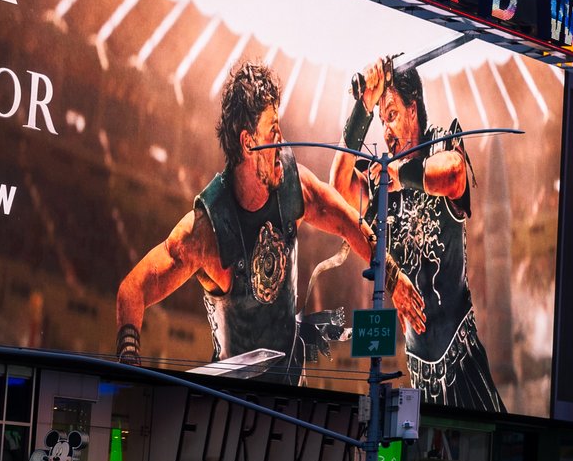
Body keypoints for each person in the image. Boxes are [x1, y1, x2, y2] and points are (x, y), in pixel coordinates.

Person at [116, 61, 426, 382]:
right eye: (273, 131)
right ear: (249, 142)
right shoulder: (206, 230)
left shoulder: (293, 185)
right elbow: (132, 289)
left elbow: (348, 222)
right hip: (232, 403)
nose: (282, 142)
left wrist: (393, 276)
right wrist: (128, 361)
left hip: (292, 391)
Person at [336, 57, 502, 409]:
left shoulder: (441, 146)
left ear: (413, 108)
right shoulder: (381, 177)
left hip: (463, 362)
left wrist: (399, 174)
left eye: (391, 114)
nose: (386, 130)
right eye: (381, 121)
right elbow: (338, 188)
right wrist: (362, 108)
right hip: (418, 373)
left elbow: (453, 175)